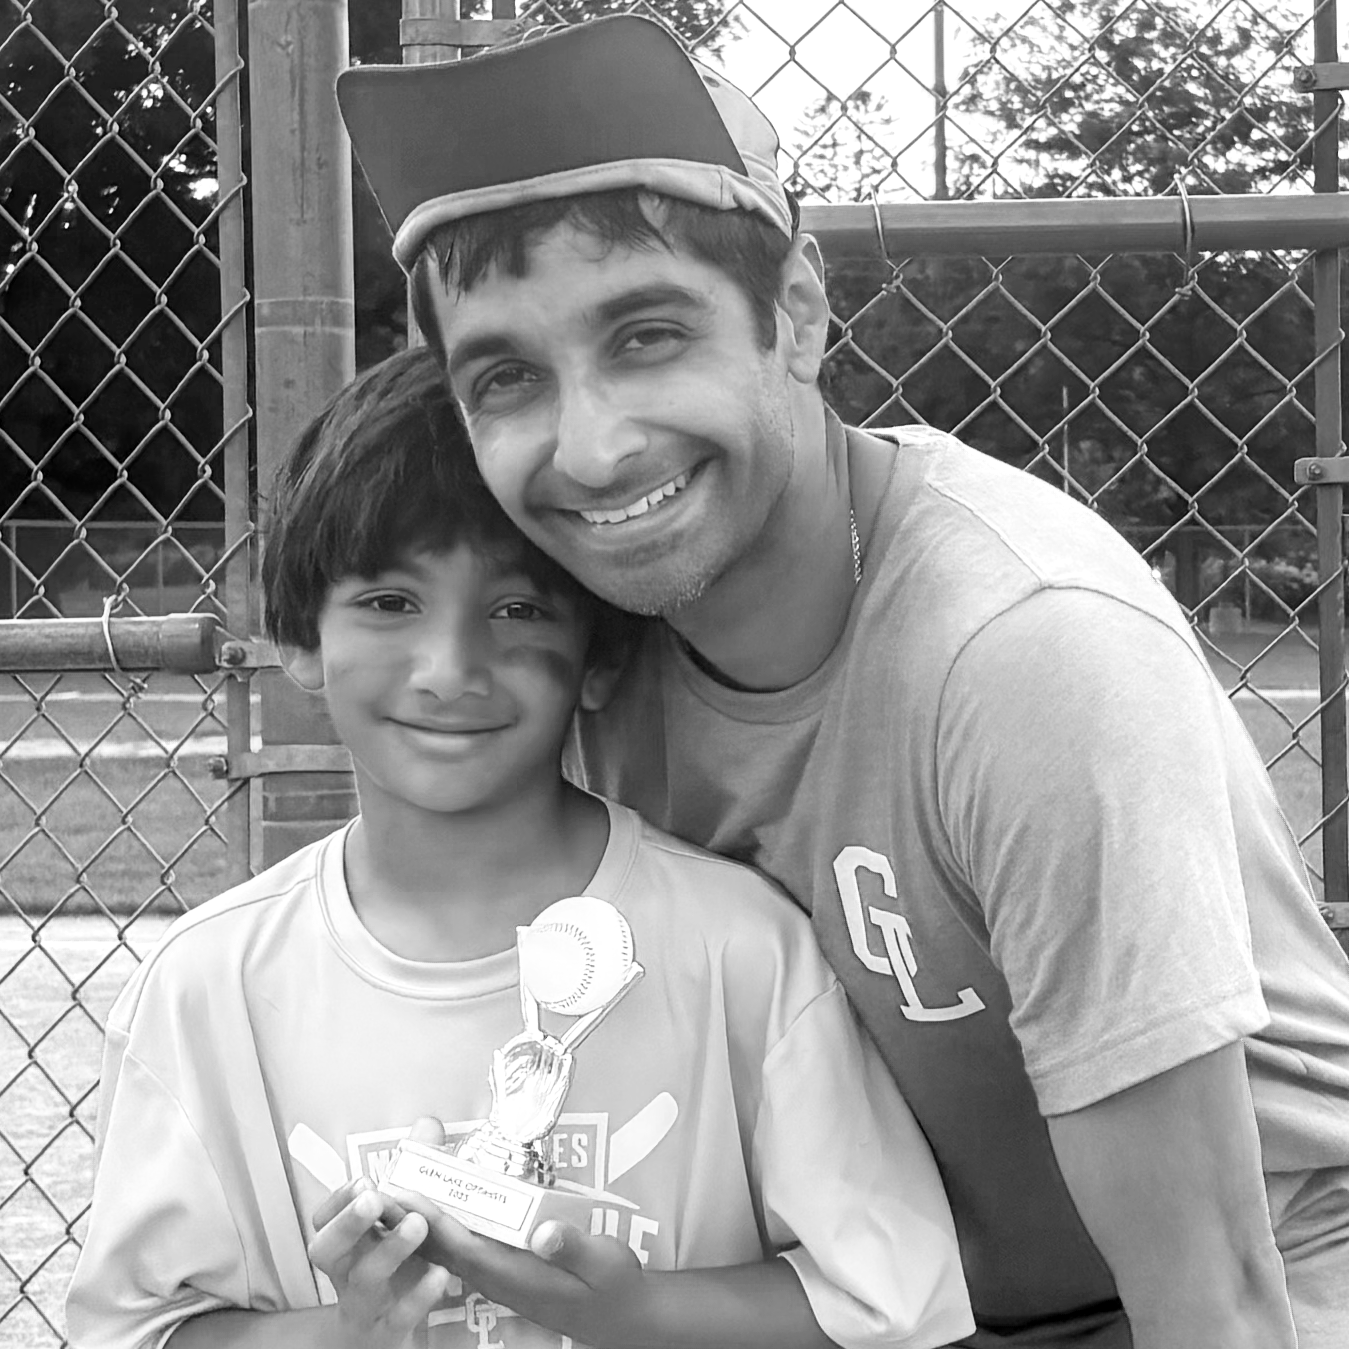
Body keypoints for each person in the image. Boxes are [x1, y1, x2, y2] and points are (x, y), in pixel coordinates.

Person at [335, 14, 1349, 1349]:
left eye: (645, 335)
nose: (587, 447)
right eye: (509, 376)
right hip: (892, 1312)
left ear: (796, 312)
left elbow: (1215, 1293)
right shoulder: (594, 644)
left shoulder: (1020, 650)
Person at [63, 347, 973, 1349]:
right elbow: (143, 1327)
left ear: (600, 656)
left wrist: (639, 1314)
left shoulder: (737, 950)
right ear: (299, 639)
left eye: (517, 608)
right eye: (388, 602)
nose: (449, 668)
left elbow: (892, 1298)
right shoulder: (210, 986)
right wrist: (346, 1332)